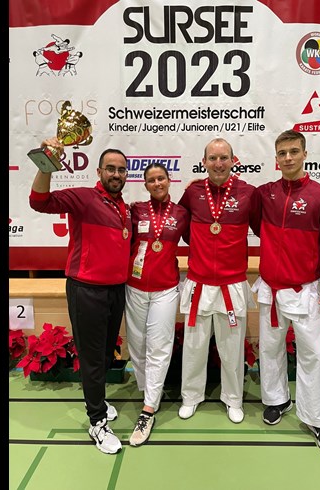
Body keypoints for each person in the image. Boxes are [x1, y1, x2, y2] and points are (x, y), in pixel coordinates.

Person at [28, 137, 130, 455]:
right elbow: (38, 201)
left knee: (102, 356)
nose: (116, 174)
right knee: (91, 359)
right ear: (99, 171)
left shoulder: (124, 207)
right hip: (86, 290)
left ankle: (97, 401)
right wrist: (47, 162)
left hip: (116, 290)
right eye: (110, 168)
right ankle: (97, 422)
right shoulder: (83, 198)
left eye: (122, 170)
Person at [251, 129, 320, 453]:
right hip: (271, 291)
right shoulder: (264, 194)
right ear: (275, 158)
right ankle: (277, 401)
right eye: (282, 153)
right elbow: (249, 222)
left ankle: (318, 419)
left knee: (314, 356)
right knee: (270, 350)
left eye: (293, 151)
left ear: (305, 154)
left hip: (306, 290)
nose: (288, 158)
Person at [176, 137, 261, 424]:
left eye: (224, 158)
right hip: (199, 282)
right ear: (204, 162)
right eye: (212, 158)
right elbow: (184, 230)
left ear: (234, 160)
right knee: (194, 347)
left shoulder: (248, 193)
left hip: (232, 284)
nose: (218, 163)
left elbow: (264, 229)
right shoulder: (192, 192)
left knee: (232, 349)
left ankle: (233, 399)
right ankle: (191, 396)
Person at [124, 163, 190, 447]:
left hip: (166, 289)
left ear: (169, 180)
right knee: (137, 346)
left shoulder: (182, 214)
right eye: (151, 180)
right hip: (134, 286)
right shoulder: (134, 210)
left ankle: (149, 408)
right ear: (146, 184)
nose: (157, 183)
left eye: (161, 178)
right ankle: (150, 390)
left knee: (159, 346)